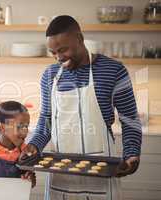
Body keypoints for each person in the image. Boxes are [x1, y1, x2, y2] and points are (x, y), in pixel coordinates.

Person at [20, 15, 142, 200]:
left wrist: (132, 154)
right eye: (53, 52)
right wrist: (34, 145)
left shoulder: (113, 70)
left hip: (102, 173)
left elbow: (130, 119)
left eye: (63, 49)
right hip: (60, 178)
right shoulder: (50, 75)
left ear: (79, 38)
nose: (58, 57)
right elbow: (46, 121)